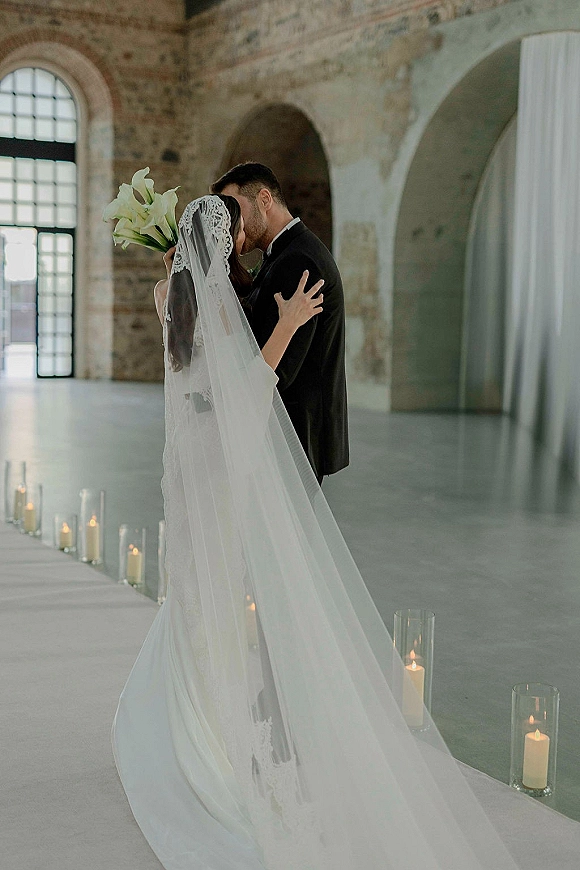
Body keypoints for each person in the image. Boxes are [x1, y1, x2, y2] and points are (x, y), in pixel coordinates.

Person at [112, 195, 520, 870]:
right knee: (219, 586)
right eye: (234, 232)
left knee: (193, 588)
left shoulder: (167, 296)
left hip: (187, 468)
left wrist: (184, 266)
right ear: (221, 243)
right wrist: (289, 321)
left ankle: (180, 715)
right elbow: (244, 384)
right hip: (223, 458)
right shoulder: (214, 303)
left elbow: (187, 354)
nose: (244, 240)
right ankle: (205, 738)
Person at [211, 163, 348, 484]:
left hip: (293, 436)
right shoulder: (283, 254)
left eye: (236, 208)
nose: (231, 220)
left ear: (264, 199)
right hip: (277, 431)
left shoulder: (298, 261)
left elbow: (281, 370)